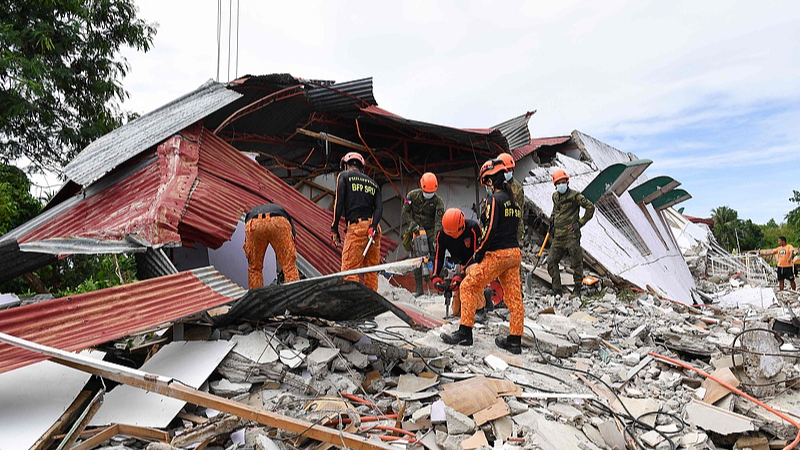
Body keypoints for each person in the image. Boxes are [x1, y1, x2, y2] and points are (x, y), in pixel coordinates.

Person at [441, 158, 524, 354]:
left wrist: (478, 254)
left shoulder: (495, 200)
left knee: (468, 286)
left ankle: (465, 333)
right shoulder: (512, 201)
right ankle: (514, 341)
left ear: (489, 180)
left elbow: (490, 231)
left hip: (498, 255)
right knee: (514, 299)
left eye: (485, 182)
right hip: (514, 254)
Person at [330, 152, 383, 291]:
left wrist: (334, 228)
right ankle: (370, 304)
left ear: (346, 165)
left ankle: (352, 303)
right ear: (362, 167)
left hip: (357, 227)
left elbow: (339, 203)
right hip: (374, 228)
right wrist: (373, 226)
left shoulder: (344, 176)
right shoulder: (373, 183)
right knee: (371, 270)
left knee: (350, 269)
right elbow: (379, 208)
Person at [431, 208, 486, 320]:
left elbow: (478, 254)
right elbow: (438, 256)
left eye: (454, 233)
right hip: (458, 265)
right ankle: (487, 295)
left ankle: (481, 309)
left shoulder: (472, 229)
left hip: (474, 263)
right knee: (457, 312)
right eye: (449, 233)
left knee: (474, 270)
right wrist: (435, 276)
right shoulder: (441, 235)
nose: (452, 236)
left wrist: (462, 273)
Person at [547, 170, 595, 298]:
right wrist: (552, 218)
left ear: (567, 182)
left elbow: (590, 207)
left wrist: (580, 223)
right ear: (555, 185)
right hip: (558, 237)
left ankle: (577, 288)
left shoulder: (575, 196)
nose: (561, 185)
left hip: (571, 236)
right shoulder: (555, 197)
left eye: (563, 182)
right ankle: (556, 289)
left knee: (576, 263)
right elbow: (555, 210)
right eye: (558, 183)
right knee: (551, 261)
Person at [402, 172, 445, 296]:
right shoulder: (412, 196)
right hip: (416, 228)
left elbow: (438, 221)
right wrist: (412, 225)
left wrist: (436, 238)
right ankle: (419, 288)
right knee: (416, 258)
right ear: (421, 187)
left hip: (431, 229)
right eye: (427, 191)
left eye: (432, 192)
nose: (429, 194)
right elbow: (405, 212)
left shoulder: (438, 202)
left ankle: (440, 284)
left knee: (437, 254)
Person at [243, 203, 299, 289]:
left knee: (254, 269)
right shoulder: (285, 216)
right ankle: (296, 297)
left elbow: (247, 240)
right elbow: (293, 238)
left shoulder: (252, 212)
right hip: (278, 221)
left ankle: (256, 300)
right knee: (289, 267)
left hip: (253, 223)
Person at [497, 153, 525, 246]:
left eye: (509, 169)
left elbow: (519, 212)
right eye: (504, 170)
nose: (507, 172)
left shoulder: (517, 188)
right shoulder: (495, 186)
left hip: (512, 230)